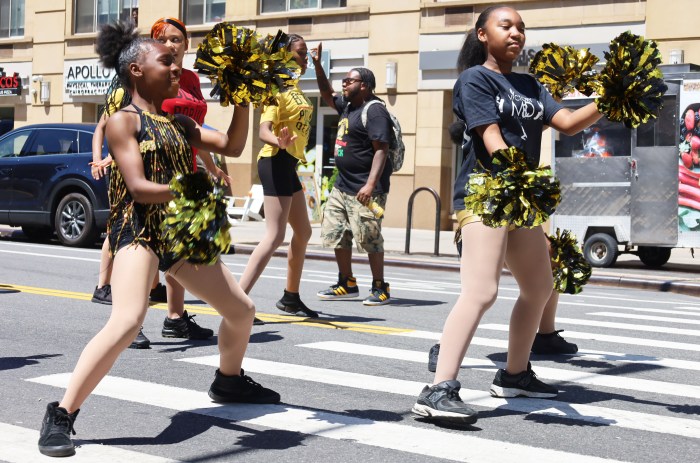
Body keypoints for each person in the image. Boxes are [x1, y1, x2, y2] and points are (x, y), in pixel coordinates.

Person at [38, 21, 279, 458]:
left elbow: (232, 143)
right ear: (135, 70)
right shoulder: (121, 122)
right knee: (128, 320)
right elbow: (137, 187)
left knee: (241, 310)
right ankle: (61, 412)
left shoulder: (179, 123)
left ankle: (228, 380)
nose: (174, 66)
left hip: (180, 231)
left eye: (175, 58)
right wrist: (189, 188)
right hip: (139, 230)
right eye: (164, 60)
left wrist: (245, 95)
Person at [411, 5, 603, 426]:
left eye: (521, 27)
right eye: (506, 25)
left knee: (539, 286)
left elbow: (568, 122)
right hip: (485, 195)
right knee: (481, 292)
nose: (516, 32)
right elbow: (492, 138)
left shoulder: (530, 84)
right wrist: (524, 175)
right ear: (482, 34)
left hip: (521, 196)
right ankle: (437, 389)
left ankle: (515, 374)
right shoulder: (473, 79)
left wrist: (611, 98)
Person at [90, 17, 230, 347]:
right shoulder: (139, 82)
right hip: (144, 169)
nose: (172, 45)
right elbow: (113, 124)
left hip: (181, 165)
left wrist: (210, 167)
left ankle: (175, 317)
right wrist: (107, 155)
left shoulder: (190, 80)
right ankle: (125, 312)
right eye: (164, 40)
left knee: (175, 245)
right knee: (135, 234)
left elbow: (193, 133)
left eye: (178, 39)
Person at [426, 121, 578, 371]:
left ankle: (545, 335)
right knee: (479, 291)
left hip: (514, 206)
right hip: (483, 209)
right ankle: (444, 350)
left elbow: (546, 121)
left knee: (551, 261)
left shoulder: (519, 108)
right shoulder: (483, 116)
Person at [237, 34, 318, 318]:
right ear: (285, 55)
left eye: (306, 54)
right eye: (301, 53)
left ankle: (290, 298)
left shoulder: (295, 87)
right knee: (275, 235)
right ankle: (235, 301)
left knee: (304, 232)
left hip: (288, 163)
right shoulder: (276, 87)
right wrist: (277, 141)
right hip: (274, 160)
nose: (305, 58)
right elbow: (263, 130)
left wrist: (317, 65)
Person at [312, 44, 394, 306]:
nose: (344, 84)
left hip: (366, 189)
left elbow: (381, 150)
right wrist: (317, 65)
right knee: (336, 232)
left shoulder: (375, 110)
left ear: (365, 86)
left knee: (369, 237)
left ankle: (380, 287)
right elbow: (326, 93)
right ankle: (346, 282)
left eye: (350, 80)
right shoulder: (347, 107)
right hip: (342, 185)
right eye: (344, 80)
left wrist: (370, 185)